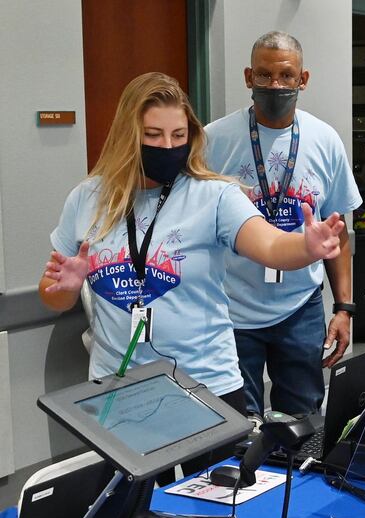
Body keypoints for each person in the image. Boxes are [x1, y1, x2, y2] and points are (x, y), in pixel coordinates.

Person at [39, 72, 343, 424]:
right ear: (128, 136)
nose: (167, 146)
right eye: (152, 135)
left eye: (178, 135)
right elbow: (52, 293)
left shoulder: (214, 195)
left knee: (217, 480)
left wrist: (306, 246)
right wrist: (66, 289)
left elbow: (271, 245)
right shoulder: (87, 198)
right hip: (120, 389)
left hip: (205, 385)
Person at [205, 31, 361, 420]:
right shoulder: (214, 140)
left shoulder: (325, 140)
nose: (275, 85)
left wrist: (343, 308)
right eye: (264, 75)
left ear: (302, 79)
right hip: (231, 308)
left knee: (303, 420)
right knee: (237, 425)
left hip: (300, 306)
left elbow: (338, 231)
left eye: (286, 76)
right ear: (248, 77)